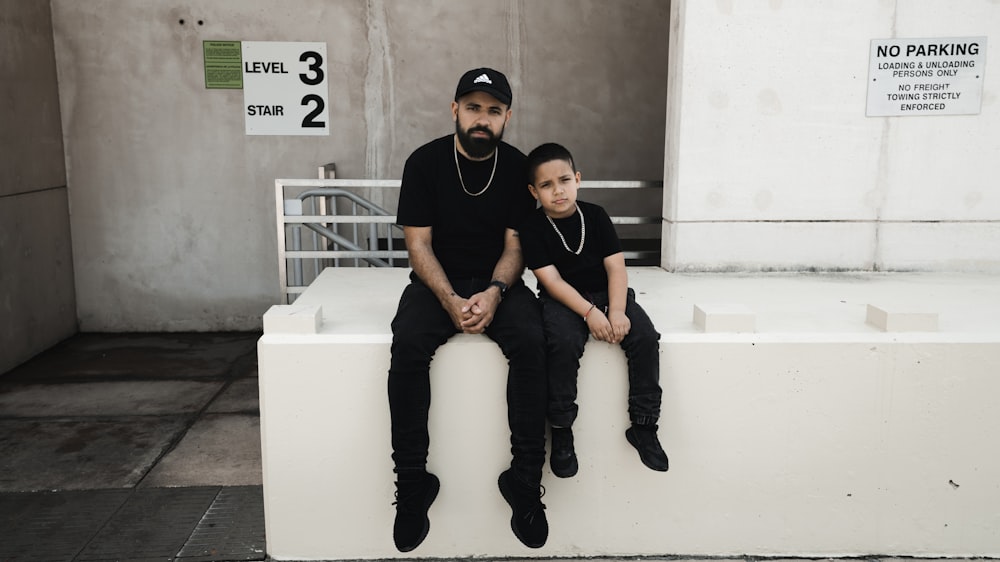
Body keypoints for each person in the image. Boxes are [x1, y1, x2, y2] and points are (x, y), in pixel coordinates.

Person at [388, 68, 548, 552]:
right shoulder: (424, 163)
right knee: (409, 345)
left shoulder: (519, 169)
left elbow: (516, 244)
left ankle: (523, 480)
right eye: (474, 108)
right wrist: (451, 299)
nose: (483, 119)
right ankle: (414, 483)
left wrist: (497, 291)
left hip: (498, 281)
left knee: (533, 343)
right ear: (454, 109)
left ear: (507, 117)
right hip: (438, 282)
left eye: (494, 111)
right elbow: (418, 245)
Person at [519, 142, 669, 478]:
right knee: (561, 343)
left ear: (578, 179)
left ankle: (644, 425)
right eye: (546, 185)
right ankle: (561, 429)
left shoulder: (596, 215)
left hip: (608, 292)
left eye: (564, 180)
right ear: (534, 191)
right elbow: (552, 280)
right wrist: (589, 313)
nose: (558, 191)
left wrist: (616, 311)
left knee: (645, 337)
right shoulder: (532, 227)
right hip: (563, 300)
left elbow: (616, 268)